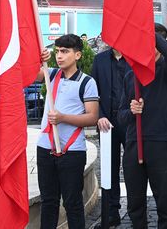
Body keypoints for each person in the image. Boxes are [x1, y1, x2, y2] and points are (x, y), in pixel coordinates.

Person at [36, 34, 100, 229]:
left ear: (78, 55)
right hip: (45, 147)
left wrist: (63, 118)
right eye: (57, 52)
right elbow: (27, 73)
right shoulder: (51, 74)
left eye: (65, 52)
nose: (60, 56)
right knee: (48, 202)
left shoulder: (87, 82)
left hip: (72, 151)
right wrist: (38, 58)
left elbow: (92, 117)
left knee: (72, 203)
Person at [118, 24, 167, 229]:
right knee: (135, 202)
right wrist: (131, 111)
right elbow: (121, 115)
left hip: (160, 141)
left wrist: (144, 27)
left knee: (164, 200)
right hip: (134, 142)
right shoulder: (129, 76)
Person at [91, 47, 133, 227]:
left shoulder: (134, 58)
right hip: (106, 122)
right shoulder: (99, 60)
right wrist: (99, 115)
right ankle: (111, 212)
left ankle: (136, 211)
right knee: (109, 168)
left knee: (133, 168)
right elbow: (93, 92)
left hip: (131, 121)